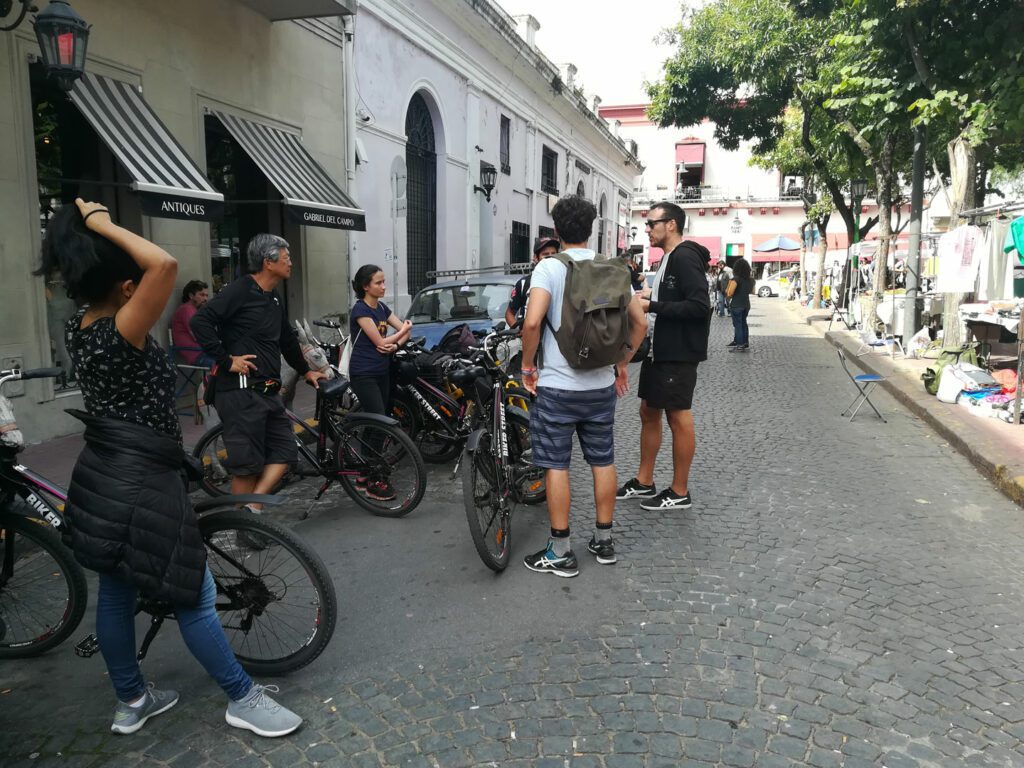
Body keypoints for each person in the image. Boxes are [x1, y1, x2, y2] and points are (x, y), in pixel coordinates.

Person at [39, 199, 301, 737]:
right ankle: (241, 697)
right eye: (135, 284)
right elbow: (164, 265)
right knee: (194, 594)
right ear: (127, 289)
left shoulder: (79, 327)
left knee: (116, 593)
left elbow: (150, 271)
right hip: (143, 479)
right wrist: (101, 224)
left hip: (105, 470)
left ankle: (132, 701)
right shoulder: (120, 331)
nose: (146, 288)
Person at [519, 195, 647, 577]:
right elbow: (640, 324)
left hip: (557, 387)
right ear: (592, 228)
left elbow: (530, 324)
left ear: (556, 230)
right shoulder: (614, 268)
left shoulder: (549, 269)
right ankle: (603, 541)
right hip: (600, 387)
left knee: (556, 465)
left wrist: (528, 366)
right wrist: (621, 363)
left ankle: (560, 550)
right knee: (602, 459)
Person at [191, 235, 326, 513]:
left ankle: (250, 510)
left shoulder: (273, 298)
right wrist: (226, 360)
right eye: (286, 257)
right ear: (268, 261)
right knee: (247, 467)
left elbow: (288, 340)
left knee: (286, 452)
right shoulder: (239, 291)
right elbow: (200, 321)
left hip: (268, 392)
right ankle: (245, 524)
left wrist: (306, 372)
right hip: (240, 393)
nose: (291, 262)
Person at [617, 201, 711, 511]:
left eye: (651, 223)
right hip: (662, 350)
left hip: (679, 352)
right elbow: (675, 298)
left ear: (671, 224)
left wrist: (653, 305)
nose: (647, 229)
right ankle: (645, 481)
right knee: (649, 410)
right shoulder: (670, 258)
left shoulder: (684, 257)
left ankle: (679, 491)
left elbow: (699, 306)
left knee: (678, 416)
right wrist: (650, 296)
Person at [348, 264, 413, 501]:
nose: (383, 286)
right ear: (366, 286)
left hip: (382, 371)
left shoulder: (382, 307)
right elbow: (379, 340)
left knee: (379, 419)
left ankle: (366, 472)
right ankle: (373, 476)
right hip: (363, 372)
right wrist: (399, 334)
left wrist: (394, 343)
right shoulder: (360, 310)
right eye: (378, 283)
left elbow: (402, 335)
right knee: (377, 419)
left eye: (384, 282)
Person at [506, 236, 560, 328]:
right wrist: (519, 332)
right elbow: (509, 313)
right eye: (546, 255)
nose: (550, 258)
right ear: (536, 258)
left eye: (553, 254)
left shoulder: (564, 280)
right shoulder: (523, 284)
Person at [170, 279, 213, 367]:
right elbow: (198, 336)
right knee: (226, 365)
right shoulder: (187, 309)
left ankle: (210, 380)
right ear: (191, 295)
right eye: (201, 295)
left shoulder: (194, 310)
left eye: (206, 295)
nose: (205, 298)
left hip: (201, 352)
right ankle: (210, 380)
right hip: (196, 354)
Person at [727, 257, 754, 352]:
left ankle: (739, 344)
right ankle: (745, 342)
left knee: (738, 325)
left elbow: (730, 293)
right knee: (743, 323)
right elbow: (753, 291)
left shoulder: (736, 279)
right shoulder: (751, 280)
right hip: (746, 304)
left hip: (736, 304)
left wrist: (729, 288)